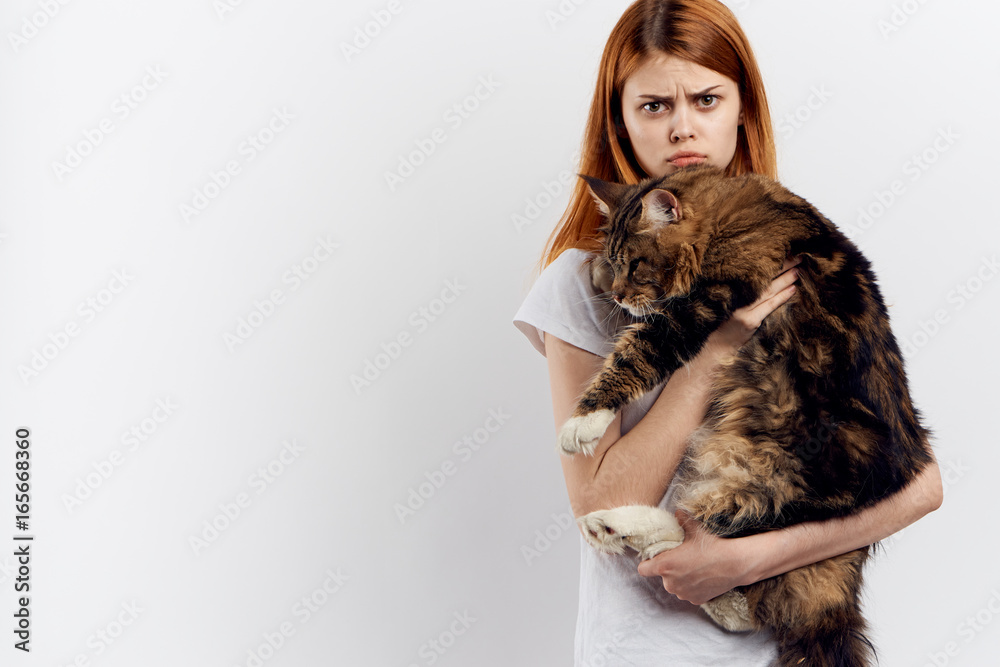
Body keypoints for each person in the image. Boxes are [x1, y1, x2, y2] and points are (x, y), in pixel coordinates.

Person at [512, 0, 944, 664]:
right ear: (621, 124)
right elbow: (603, 504)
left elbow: (918, 482)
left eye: (707, 99)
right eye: (654, 106)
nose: (683, 128)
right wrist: (716, 348)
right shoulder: (579, 284)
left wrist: (743, 559)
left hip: (780, 641)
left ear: (741, 108)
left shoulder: (788, 245)